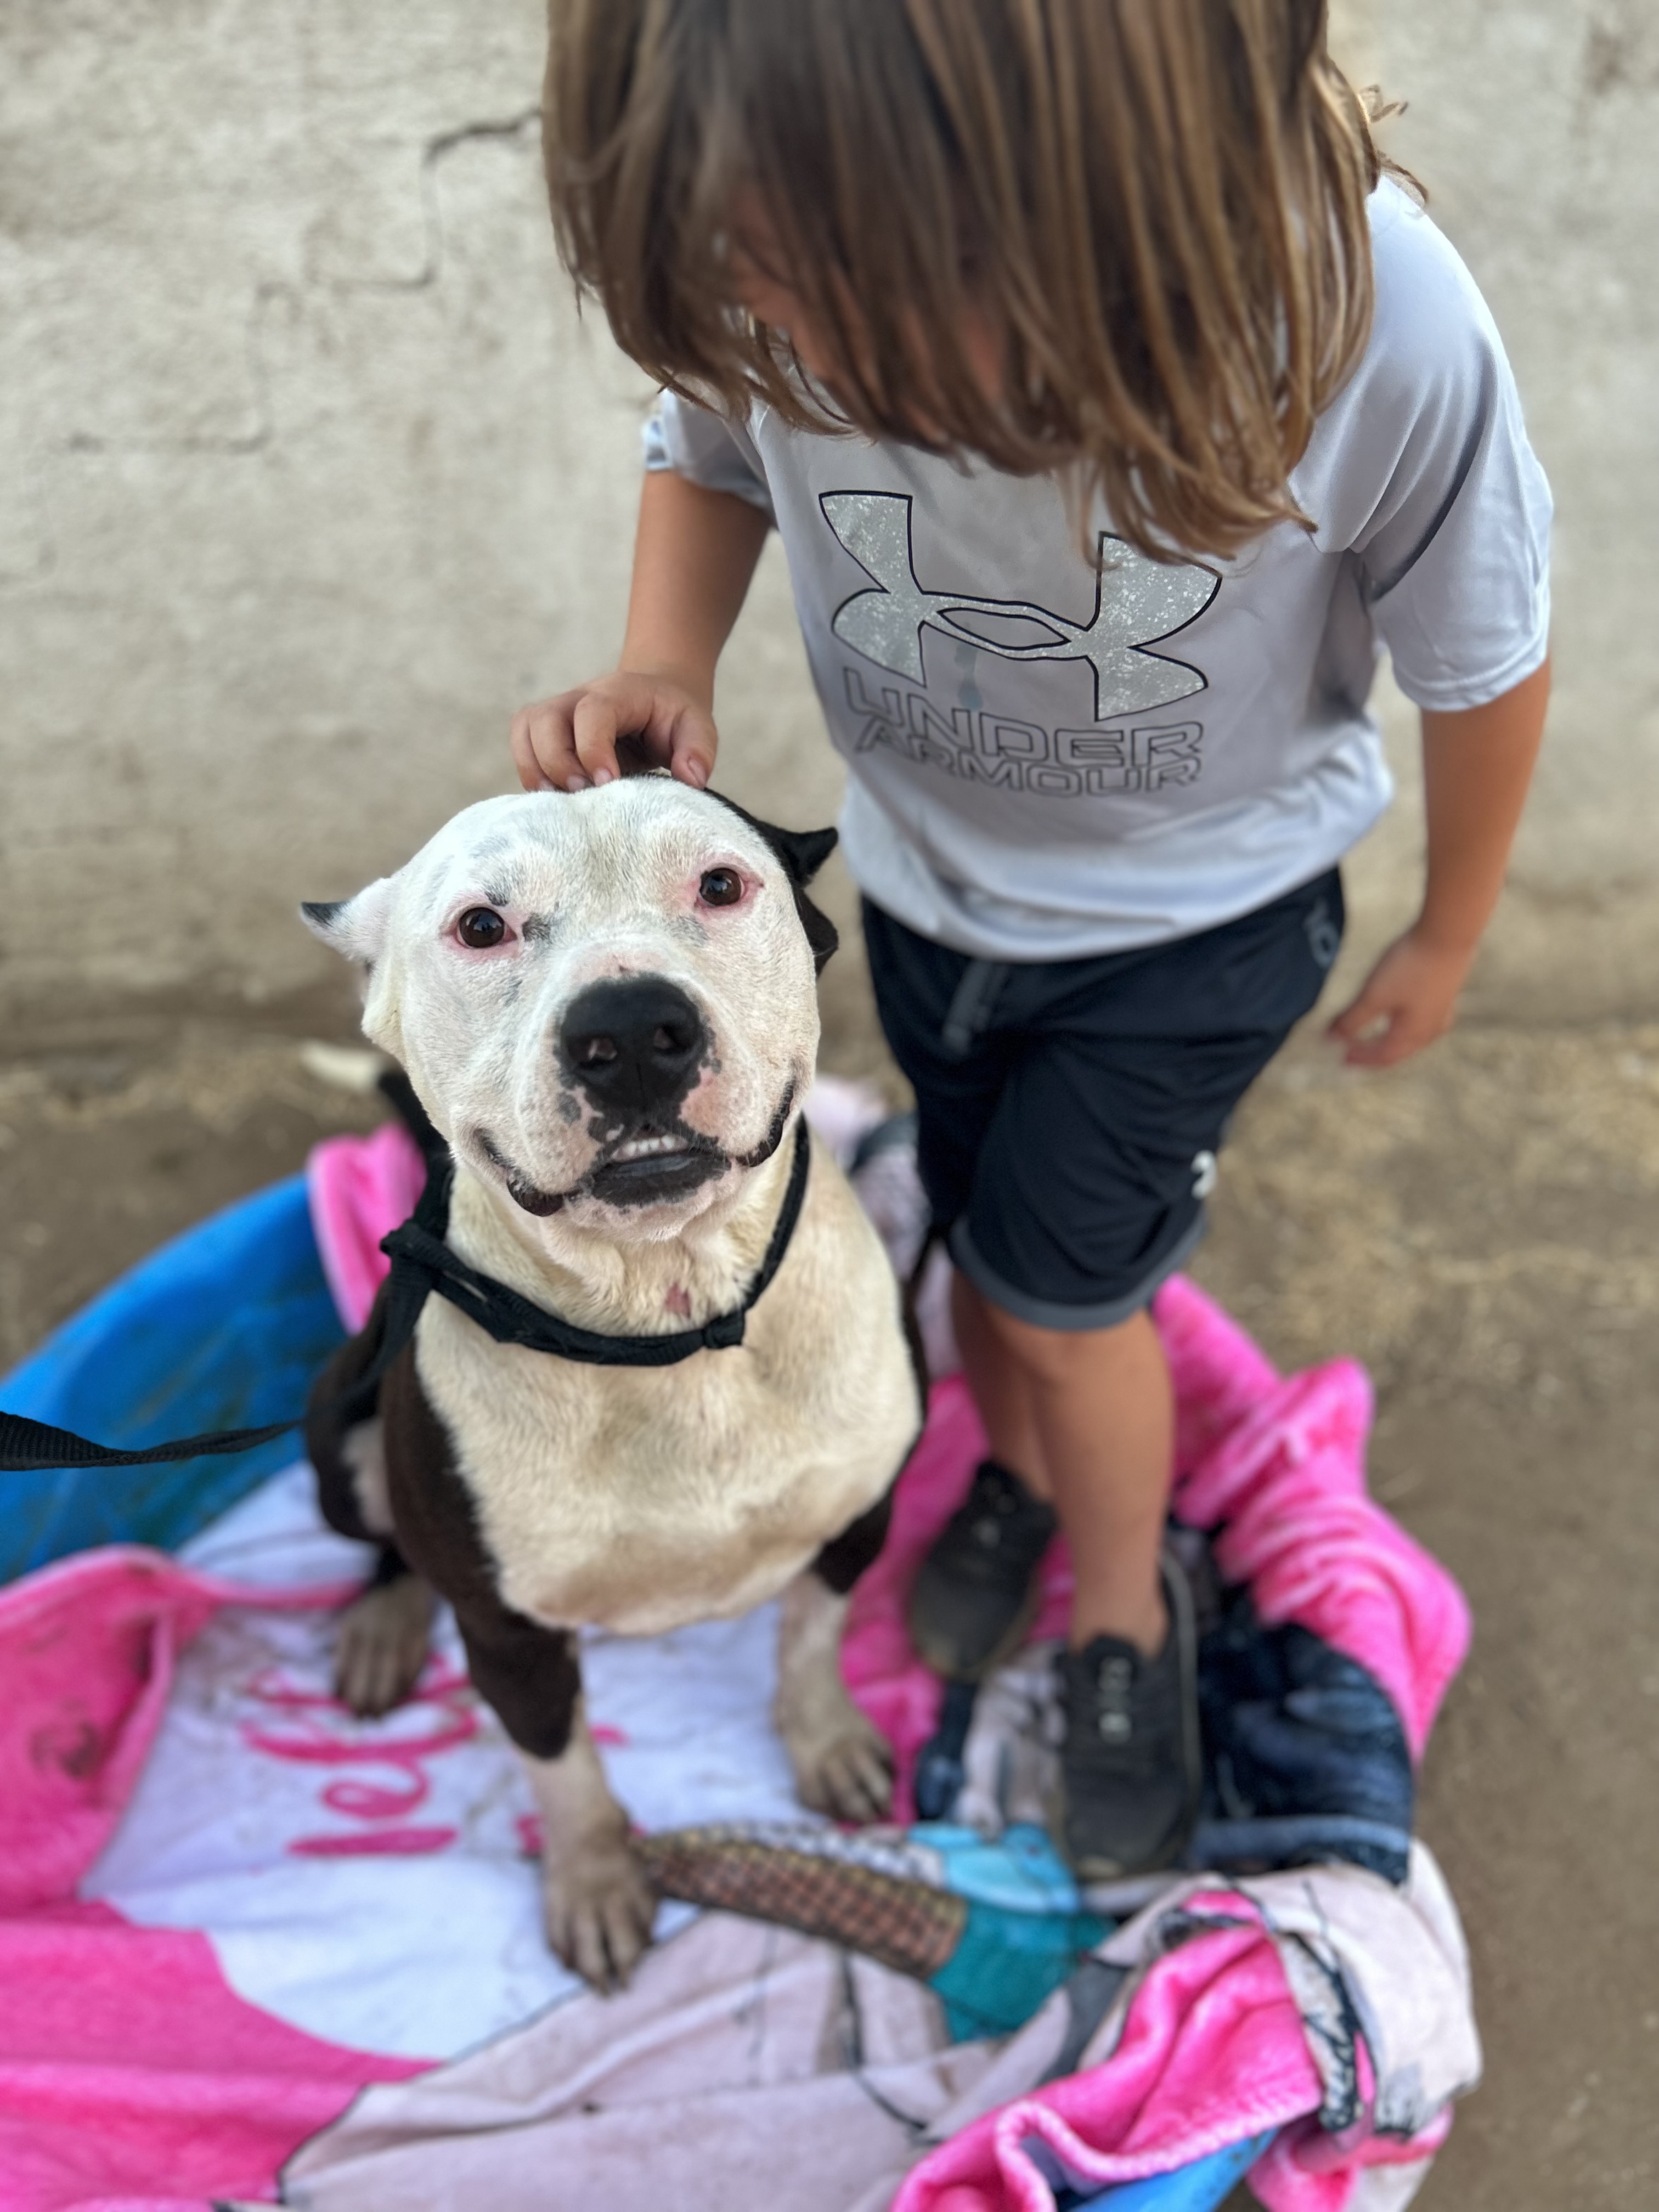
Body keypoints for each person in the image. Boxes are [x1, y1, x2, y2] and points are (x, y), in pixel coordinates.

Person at [509, 0, 1551, 1879]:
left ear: (1094, 205)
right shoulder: (793, 236)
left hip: (1190, 939)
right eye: (760, 300)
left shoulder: (1373, 319)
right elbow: (716, 439)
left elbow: (1484, 658)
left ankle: (1128, 1621)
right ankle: (1010, 1473)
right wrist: (666, 651)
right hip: (923, 887)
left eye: (833, 309)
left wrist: (1450, 935)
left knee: (1071, 1311)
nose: (793, 349)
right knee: (989, 1250)